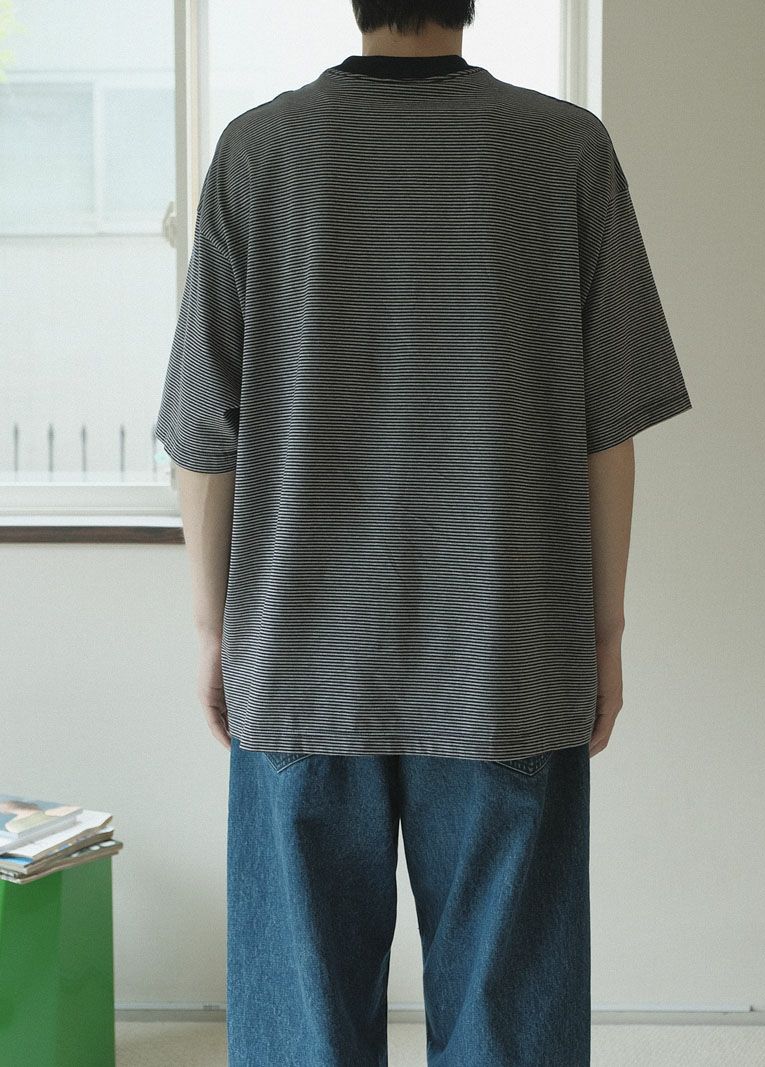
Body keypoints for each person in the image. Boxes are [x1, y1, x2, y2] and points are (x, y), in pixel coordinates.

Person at [155, 2, 693, 1063]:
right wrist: (604, 632)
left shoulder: (259, 154)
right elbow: (607, 433)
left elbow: (205, 441)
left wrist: (215, 630)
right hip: (506, 655)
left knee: (301, 1027)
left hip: (301, 661)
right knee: (510, 1018)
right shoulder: (563, 151)